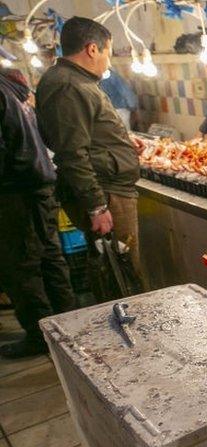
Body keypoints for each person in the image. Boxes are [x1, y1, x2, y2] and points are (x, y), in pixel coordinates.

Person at [36, 17, 144, 278]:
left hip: (110, 187)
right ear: (92, 49)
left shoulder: (74, 80)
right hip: (107, 192)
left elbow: (85, 134)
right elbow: (72, 153)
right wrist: (97, 206)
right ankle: (129, 317)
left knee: (118, 266)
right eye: (107, 52)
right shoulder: (69, 86)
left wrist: (121, 142)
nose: (108, 62)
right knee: (120, 272)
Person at [0, 62, 76, 358]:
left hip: (15, 191)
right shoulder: (11, 88)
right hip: (37, 185)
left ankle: (41, 336)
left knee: (23, 265)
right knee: (48, 257)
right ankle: (66, 325)